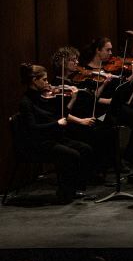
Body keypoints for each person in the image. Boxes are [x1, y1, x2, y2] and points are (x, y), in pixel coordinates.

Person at [14, 64, 95, 203]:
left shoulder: (43, 97)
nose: (48, 83)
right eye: (44, 80)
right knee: (71, 154)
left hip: (52, 138)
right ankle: (64, 193)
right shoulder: (26, 102)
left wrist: (73, 99)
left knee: (86, 149)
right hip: (38, 143)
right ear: (34, 80)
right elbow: (33, 128)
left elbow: (60, 114)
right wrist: (56, 124)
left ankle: (74, 188)